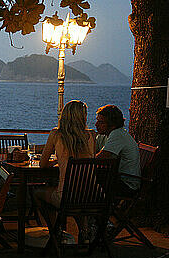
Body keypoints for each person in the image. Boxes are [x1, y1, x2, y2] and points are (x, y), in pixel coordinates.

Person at [33, 100, 96, 244]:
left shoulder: (56, 134)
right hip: (91, 196)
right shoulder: (91, 135)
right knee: (78, 195)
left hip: (66, 197)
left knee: (37, 192)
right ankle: (84, 231)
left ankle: (55, 232)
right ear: (83, 117)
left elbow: (43, 164)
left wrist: (58, 161)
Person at [95, 104, 140, 196]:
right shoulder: (104, 135)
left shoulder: (117, 134)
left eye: (101, 122)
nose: (96, 124)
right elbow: (93, 152)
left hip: (127, 184)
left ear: (112, 125)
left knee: (88, 179)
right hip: (117, 177)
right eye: (97, 121)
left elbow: (100, 158)